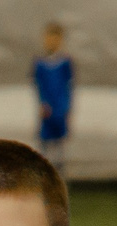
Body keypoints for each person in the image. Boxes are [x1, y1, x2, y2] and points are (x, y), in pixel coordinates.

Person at [32, 23, 75, 173]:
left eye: (55, 38)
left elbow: (68, 86)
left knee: (59, 141)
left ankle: (59, 172)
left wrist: (66, 107)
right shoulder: (40, 63)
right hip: (47, 108)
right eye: (49, 38)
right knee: (45, 139)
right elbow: (39, 86)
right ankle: (43, 171)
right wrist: (43, 103)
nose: (51, 42)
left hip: (60, 108)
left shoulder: (65, 62)